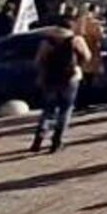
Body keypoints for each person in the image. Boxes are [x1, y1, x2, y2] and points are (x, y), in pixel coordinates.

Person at [30, 16, 91, 153]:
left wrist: (43, 72)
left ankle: (38, 138)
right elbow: (87, 56)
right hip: (70, 78)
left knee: (48, 109)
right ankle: (56, 142)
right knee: (65, 109)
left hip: (50, 78)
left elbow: (38, 60)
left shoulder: (48, 41)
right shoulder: (76, 39)